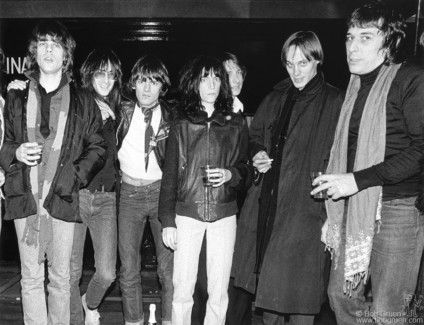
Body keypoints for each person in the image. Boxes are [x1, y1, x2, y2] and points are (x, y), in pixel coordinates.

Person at [311, 2, 424, 324]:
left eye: (365, 37)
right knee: (340, 295)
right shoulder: (356, 84)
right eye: (349, 37)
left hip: (399, 207)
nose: (353, 47)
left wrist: (356, 180)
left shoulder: (412, 78)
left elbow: (421, 150)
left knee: (388, 309)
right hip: (356, 207)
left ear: (389, 41)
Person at [231, 31, 343, 325]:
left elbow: (343, 154)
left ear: (317, 60)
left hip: (306, 208)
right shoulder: (277, 95)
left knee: (301, 297)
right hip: (268, 204)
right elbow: (256, 136)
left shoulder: (334, 100)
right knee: (270, 297)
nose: (295, 71)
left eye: (302, 63)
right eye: (289, 64)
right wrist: (257, 154)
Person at [0, 21, 106, 324]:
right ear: (35, 52)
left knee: (61, 280)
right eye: (43, 43)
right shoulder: (16, 96)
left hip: (62, 197)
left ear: (65, 56)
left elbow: (98, 148)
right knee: (30, 278)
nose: (48, 48)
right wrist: (16, 153)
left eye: (56, 44)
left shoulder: (84, 100)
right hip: (25, 198)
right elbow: (5, 144)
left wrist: (75, 175)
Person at [159, 55, 252, 325]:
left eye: (216, 77)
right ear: (194, 83)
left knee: (219, 291)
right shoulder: (180, 123)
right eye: (204, 77)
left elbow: (247, 170)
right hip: (187, 214)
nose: (211, 83)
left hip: (224, 214)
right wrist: (167, 220)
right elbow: (170, 175)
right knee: (182, 289)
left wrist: (231, 174)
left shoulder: (235, 123)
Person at [191, 52, 252, 325]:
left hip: (241, 205)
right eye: (228, 74)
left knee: (234, 275)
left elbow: (245, 162)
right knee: (204, 277)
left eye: (239, 72)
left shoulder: (246, 113)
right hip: (209, 204)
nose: (234, 78)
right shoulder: (209, 113)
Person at [116, 54, 174, 325]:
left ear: (163, 86)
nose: (147, 88)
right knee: (128, 270)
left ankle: (171, 320)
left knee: (167, 270)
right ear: (132, 84)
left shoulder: (173, 117)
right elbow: (86, 96)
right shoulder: (120, 110)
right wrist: (25, 85)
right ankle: (134, 321)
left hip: (161, 193)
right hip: (128, 194)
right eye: (141, 81)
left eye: (153, 82)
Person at [69, 49, 122, 325]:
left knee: (107, 273)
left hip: (106, 199)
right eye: (100, 73)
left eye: (111, 74)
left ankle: (88, 303)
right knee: (71, 271)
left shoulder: (118, 110)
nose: (106, 79)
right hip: (78, 195)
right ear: (89, 74)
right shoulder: (77, 103)